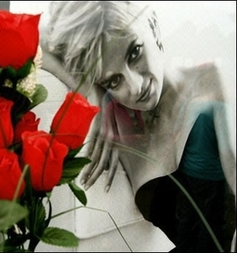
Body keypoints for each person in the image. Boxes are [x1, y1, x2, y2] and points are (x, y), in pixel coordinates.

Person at [40, 1, 236, 252]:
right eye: (113, 80)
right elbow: (33, 34)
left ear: (153, 26)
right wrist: (93, 94)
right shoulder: (118, 117)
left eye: (134, 53)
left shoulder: (212, 84)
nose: (135, 87)